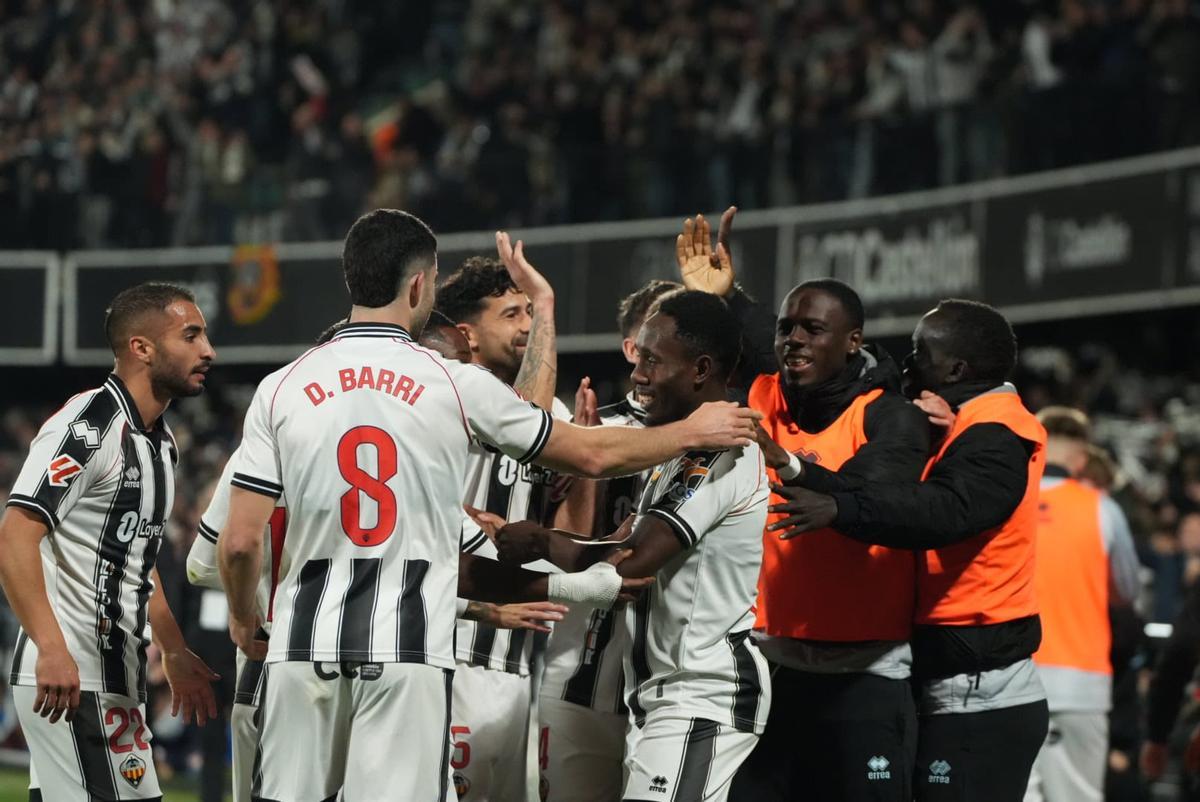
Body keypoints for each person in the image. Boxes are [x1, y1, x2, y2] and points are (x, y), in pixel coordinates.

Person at [217, 209, 761, 802]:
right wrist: (689, 432)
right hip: (407, 648)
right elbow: (590, 454)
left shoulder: (281, 388)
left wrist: (245, 619)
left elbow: (240, 541)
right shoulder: (451, 382)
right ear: (421, 284)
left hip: (301, 645)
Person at [185, 317, 560, 802]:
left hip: (280, 665)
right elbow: (469, 566)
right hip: (388, 659)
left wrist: (253, 609)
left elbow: (208, 561)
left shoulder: (266, 444)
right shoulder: (417, 471)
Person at [675, 213, 933, 802]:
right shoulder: (768, 390)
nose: (794, 339)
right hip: (771, 663)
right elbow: (768, 331)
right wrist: (725, 296)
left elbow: (875, 499)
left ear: (853, 343)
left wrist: (793, 468)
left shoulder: (888, 415)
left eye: (814, 330)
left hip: (866, 670)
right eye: (787, 329)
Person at [769, 299, 1050, 802]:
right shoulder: (971, 421)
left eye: (920, 352)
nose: (907, 362)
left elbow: (941, 511)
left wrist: (838, 507)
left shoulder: (998, 435)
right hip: (955, 681)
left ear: (956, 368)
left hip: (979, 693)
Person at [496, 289, 771, 802]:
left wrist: (538, 542)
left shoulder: (717, 453)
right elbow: (617, 543)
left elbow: (633, 565)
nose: (638, 372)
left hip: (701, 694)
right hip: (657, 695)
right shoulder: (681, 446)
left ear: (701, 368)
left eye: (652, 360)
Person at [0, 282, 220, 801]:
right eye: (191, 336)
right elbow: (15, 535)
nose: (208, 351)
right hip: (72, 674)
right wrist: (51, 648)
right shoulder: (90, 426)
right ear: (141, 348)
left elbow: (137, 562)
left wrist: (172, 647)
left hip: (113, 675)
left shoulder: (161, 443)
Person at [535, 279, 682, 802]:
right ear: (633, 347)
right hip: (578, 679)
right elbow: (553, 545)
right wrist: (585, 459)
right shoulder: (585, 431)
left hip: (673, 691)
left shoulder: (714, 437)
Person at [436, 251, 571, 802]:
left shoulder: (553, 411)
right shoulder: (446, 393)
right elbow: (527, 423)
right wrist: (544, 303)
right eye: (511, 315)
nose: (526, 327)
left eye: (528, 313)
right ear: (466, 334)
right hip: (453, 650)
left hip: (517, 661)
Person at [1024, 407, 1140, 802]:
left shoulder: (1007, 499)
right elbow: (1127, 590)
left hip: (1011, 675)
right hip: (1081, 680)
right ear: (1080, 457)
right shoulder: (1102, 508)